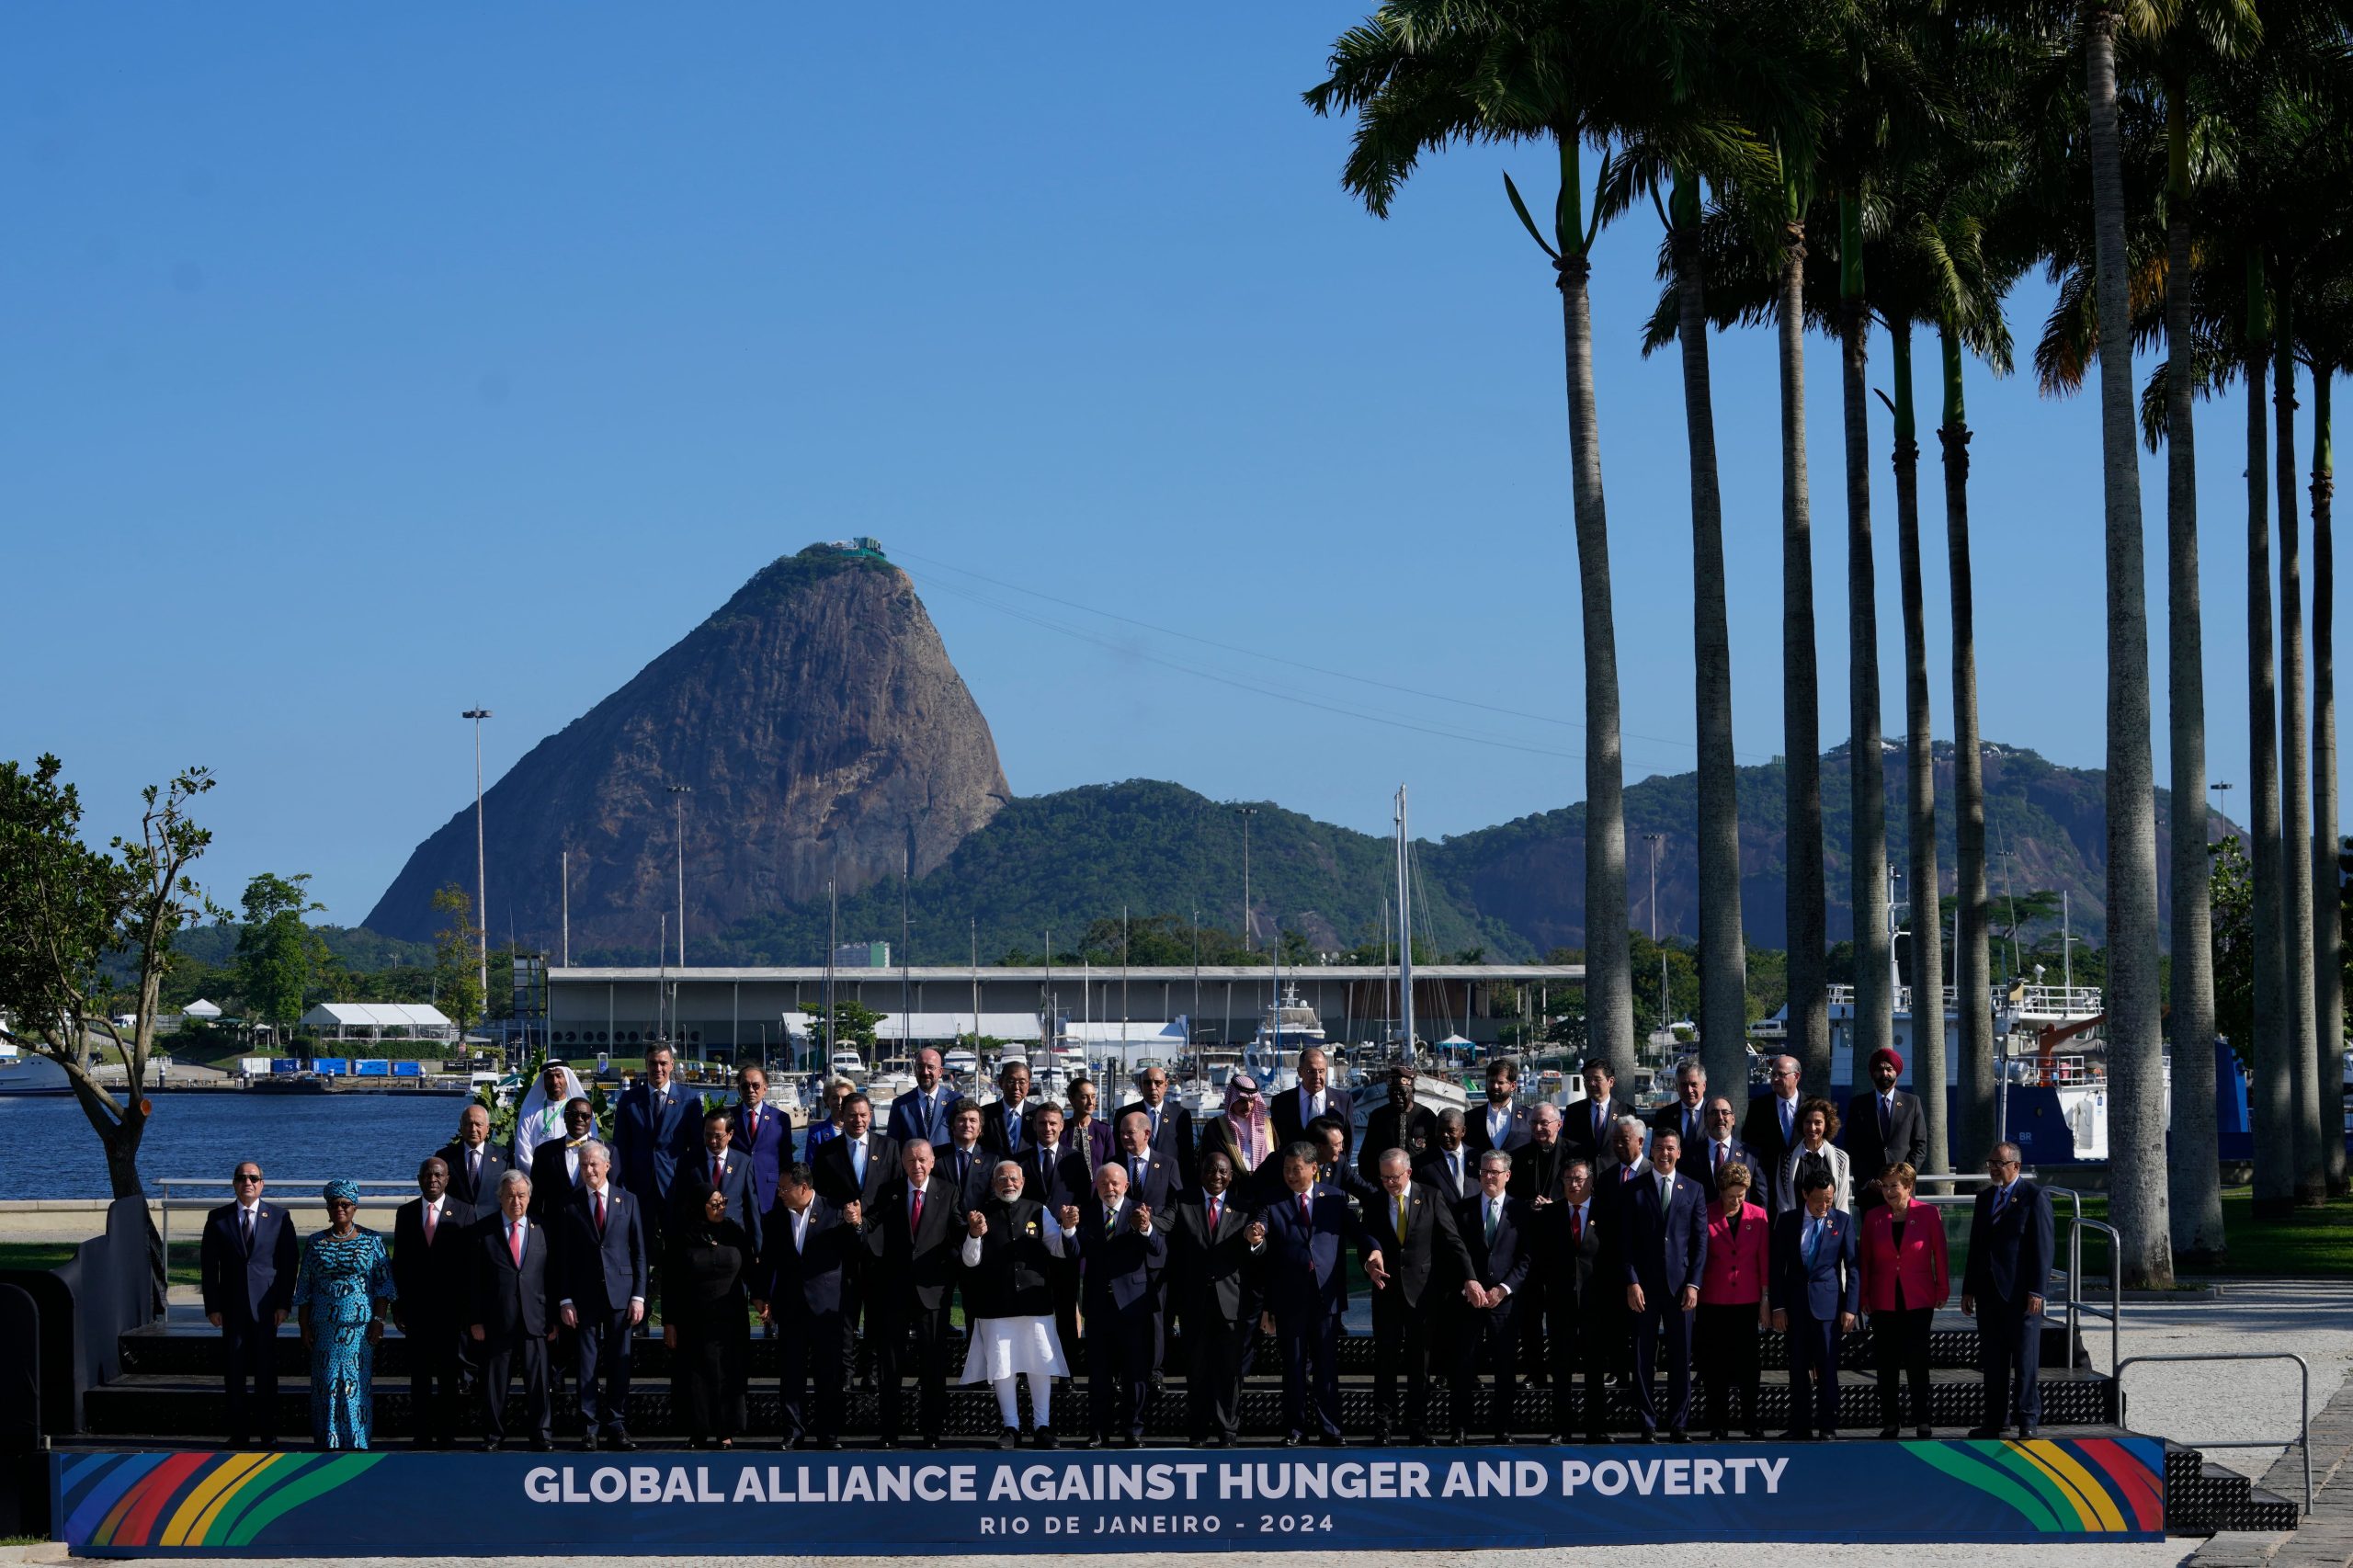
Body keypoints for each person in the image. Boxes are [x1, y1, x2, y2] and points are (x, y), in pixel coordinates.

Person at [1249, 1142, 1379, 1447]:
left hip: (1326, 1296)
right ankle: (1295, 1429)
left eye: (1296, 1169)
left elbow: (1358, 1232)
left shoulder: (1333, 1198)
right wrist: (1254, 1237)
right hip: (1290, 1298)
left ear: (1313, 1168)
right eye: (1286, 1169)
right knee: (1293, 1366)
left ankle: (1330, 1429)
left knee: (1326, 1366)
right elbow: (1260, 1235)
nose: (1291, 1175)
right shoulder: (1272, 1199)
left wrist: (1373, 1250)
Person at [1363, 1147, 1472, 1445]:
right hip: (1386, 1293)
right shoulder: (1374, 1201)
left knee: (1419, 1365)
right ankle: (1383, 1427)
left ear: (1408, 1173)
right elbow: (1366, 1240)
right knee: (1385, 1363)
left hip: (1422, 1295)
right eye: (1384, 1178)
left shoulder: (1431, 1196)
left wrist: (1470, 1278)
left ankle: (1417, 1426)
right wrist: (1369, 1262)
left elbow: (1452, 1240)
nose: (1389, 1183)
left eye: (1394, 1177)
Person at [959, 1162, 1070, 1449]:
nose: (1008, 1183)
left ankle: (1042, 1426)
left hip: (1036, 1302)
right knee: (1002, 1367)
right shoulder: (981, 1214)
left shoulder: (1038, 1210)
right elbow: (971, 1260)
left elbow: (1057, 1248)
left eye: (1013, 1178)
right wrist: (973, 1234)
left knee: (1040, 1363)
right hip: (996, 1304)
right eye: (1002, 1178)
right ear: (994, 1183)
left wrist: (1068, 1228)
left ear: (1023, 1181)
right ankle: (1011, 1427)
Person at [754, 1162, 859, 1449]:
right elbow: (769, 1258)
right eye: (778, 1188)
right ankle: (793, 1432)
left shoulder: (836, 1211)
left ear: (803, 1188)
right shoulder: (775, 1217)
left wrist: (856, 1225)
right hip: (791, 1307)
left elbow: (855, 1253)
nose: (780, 1194)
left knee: (829, 1374)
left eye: (784, 1188)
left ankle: (829, 1434)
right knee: (791, 1374)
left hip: (827, 1308)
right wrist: (761, 1294)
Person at [1615, 1123, 1708, 1442]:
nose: (1665, 1153)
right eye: (1659, 1147)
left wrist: (1694, 1284)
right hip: (1644, 1288)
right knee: (1643, 1358)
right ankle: (1647, 1422)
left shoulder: (1693, 1189)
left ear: (1679, 1153)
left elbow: (1699, 1243)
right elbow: (1624, 1242)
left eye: (1670, 1148)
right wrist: (1631, 1282)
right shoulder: (1632, 1189)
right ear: (1650, 1150)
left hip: (1681, 1289)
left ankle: (1679, 1423)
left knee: (1681, 1358)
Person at [864, 1141, 959, 1448]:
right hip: (893, 1292)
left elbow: (958, 1232)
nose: (916, 1166)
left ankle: (932, 1432)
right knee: (890, 1367)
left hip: (932, 1292)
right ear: (902, 1163)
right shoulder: (888, 1192)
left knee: (933, 1366)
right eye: (910, 1160)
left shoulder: (948, 1192)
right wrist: (855, 1222)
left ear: (932, 1162)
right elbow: (871, 1225)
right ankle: (889, 1432)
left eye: (922, 1160)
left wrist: (973, 1231)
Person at [1063, 1163, 1165, 1449]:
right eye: (1104, 1183)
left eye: (1115, 1183)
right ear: (1097, 1186)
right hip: (1098, 1306)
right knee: (1099, 1373)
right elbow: (1074, 1252)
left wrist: (1146, 1229)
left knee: (1135, 1372)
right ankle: (1098, 1431)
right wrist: (1069, 1230)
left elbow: (1159, 1250)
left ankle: (1134, 1429)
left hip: (1132, 1306)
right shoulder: (1087, 1212)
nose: (1110, 1188)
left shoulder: (1140, 1210)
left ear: (1126, 1186)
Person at [290, 1179, 395, 1450]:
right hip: (324, 1327)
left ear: (355, 1207)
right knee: (326, 1384)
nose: (340, 1208)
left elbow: (384, 1285)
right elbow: (305, 1286)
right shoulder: (315, 1242)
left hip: (360, 1329)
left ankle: (357, 1440)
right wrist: (303, 1325)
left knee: (357, 1383)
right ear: (327, 1208)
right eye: (334, 1204)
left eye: (345, 1204)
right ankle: (328, 1440)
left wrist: (379, 1321)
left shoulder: (372, 1241)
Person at [199, 1160, 297, 1449]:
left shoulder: (279, 1217)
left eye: (253, 1178)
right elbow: (208, 1267)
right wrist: (212, 1306)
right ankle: (239, 1434)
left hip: (267, 1310)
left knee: (266, 1374)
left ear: (262, 1183)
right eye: (242, 1178)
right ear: (234, 1184)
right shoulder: (218, 1218)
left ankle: (268, 1433)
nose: (248, 1182)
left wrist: (283, 1304)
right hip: (231, 1309)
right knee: (235, 1374)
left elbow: (289, 1264)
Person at [555, 1141, 646, 1451]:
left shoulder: (628, 1201)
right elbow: (563, 1257)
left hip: (621, 1296)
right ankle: (589, 1426)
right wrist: (565, 1298)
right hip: (584, 1298)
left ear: (607, 1166)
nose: (589, 1170)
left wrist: (639, 1296)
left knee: (620, 1364)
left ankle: (617, 1424)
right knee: (586, 1365)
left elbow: (639, 1254)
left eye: (594, 1164)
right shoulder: (570, 1204)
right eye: (583, 1165)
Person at [1961, 1142, 2053, 1438]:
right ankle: (1995, 1420)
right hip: (1989, 1295)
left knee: (2025, 1361)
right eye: (1990, 1163)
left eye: (1998, 1163)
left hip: (2022, 1295)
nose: (1992, 1168)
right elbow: (1975, 1247)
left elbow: (2043, 1247)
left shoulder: (2034, 1197)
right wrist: (1968, 1289)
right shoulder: (1984, 1198)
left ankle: (2027, 1419)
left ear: (2015, 1166)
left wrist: (2038, 1290)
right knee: (1993, 1361)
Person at [1167, 1151, 1259, 1448]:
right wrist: (1144, 1223)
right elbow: (1163, 1224)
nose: (1216, 1176)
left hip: (1231, 1305)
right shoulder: (1184, 1201)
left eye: (1222, 1172)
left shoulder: (1244, 1208)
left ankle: (1228, 1430)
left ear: (1231, 1176)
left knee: (1229, 1372)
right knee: (1197, 1370)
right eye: (1210, 1170)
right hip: (1194, 1303)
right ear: (1201, 1171)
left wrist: (1256, 1242)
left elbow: (1256, 1250)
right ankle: (1198, 1431)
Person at [664, 1178, 755, 1449]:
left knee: (728, 1373)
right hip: (693, 1319)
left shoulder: (734, 1232)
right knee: (696, 1377)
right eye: (714, 1204)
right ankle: (698, 1430)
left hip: (730, 1318)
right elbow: (670, 1282)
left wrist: (762, 1299)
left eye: (723, 1202)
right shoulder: (682, 1236)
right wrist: (669, 1322)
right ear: (698, 1206)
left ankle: (725, 1430)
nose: (721, 1208)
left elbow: (750, 1269)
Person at [391, 1156, 474, 1449]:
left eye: (438, 1175)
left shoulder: (465, 1212)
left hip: (451, 1311)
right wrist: (397, 1304)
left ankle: (447, 1433)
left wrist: (467, 1309)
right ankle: (422, 1433)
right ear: (419, 1178)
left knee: (449, 1376)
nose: (432, 1180)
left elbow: (470, 1266)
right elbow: (399, 1262)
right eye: (427, 1175)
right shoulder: (406, 1213)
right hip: (417, 1309)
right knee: (420, 1376)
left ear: (447, 1178)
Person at [1860, 1162, 1949, 1438]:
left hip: (1918, 1299)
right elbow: (1865, 1261)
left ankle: (1922, 1420)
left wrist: (1942, 1288)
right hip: (1883, 1299)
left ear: (1908, 1187)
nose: (1888, 1191)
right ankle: (1890, 1422)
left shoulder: (1929, 1214)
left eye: (1893, 1186)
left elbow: (1940, 1254)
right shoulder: (1873, 1217)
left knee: (1917, 1361)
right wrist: (1864, 1295)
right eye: (1884, 1186)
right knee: (1886, 1363)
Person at [1450, 1150, 1533, 1444]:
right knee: (1464, 1366)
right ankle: (1460, 1428)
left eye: (1494, 1172)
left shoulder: (1521, 1211)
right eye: (1484, 1171)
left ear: (1507, 1176)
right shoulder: (1462, 1210)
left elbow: (1526, 1258)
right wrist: (1468, 1284)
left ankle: (1502, 1428)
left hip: (1505, 1304)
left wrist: (1504, 1289)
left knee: (1505, 1367)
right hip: (1469, 1300)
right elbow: (1454, 1253)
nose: (1487, 1177)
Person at [470, 1170, 556, 1451]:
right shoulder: (484, 1230)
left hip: (536, 1320)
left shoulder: (543, 1229)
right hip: (497, 1320)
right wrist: (476, 1319)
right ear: (500, 1198)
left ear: (529, 1197)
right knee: (495, 1382)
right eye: (509, 1195)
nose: (515, 1201)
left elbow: (553, 1278)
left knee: (539, 1382)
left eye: (521, 1195)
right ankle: (494, 1435)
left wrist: (553, 1319)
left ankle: (541, 1434)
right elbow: (474, 1280)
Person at [1770, 1166, 1859, 1440]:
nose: (1824, 1205)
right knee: (1797, 1369)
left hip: (1829, 1307)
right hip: (1795, 1308)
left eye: (1829, 1199)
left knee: (1828, 1368)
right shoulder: (1787, 1222)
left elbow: (1853, 1267)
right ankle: (1800, 1425)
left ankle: (1828, 1426)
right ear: (1805, 1194)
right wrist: (1778, 1306)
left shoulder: (1842, 1221)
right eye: (1819, 1199)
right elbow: (1776, 1267)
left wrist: (1851, 1307)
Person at [1695, 1160, 1770, 1441]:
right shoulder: (1705, 1213)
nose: (1736, 1200)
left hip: (1748, 1301)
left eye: (1741, 1195)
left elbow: (1763, 1258)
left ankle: (1751, 1422)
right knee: (1716, 1366)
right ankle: (1719, 1424)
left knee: (1750, 1366)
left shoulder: (1758, 1216)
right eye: (1731, 1195)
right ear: (1721, 1190)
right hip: (1714, 1302)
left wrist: (1765, 1298)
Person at [1536, 1158, 1607, 1443]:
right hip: (1560, 1302)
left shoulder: (1605, 1211)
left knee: (1594, 1369)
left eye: (1578, 1179)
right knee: (1561, 1370)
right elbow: (1541, 1258)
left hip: (1594, 1302)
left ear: (1590, 1181)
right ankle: (1562, 1428)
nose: (1573, 1184)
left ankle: (1596, 1429)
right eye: (1568, 1179)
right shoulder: (1550, 1214)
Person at [613, 1045, 702, 1259]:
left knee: (677, 1248)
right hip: (638, 1186)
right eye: (653, 1063)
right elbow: (620, 1146)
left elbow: (697, 1147)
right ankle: (640, 1292)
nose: (658, 1068)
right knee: (638, 1248)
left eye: (663, 1063)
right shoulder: (629, 1100)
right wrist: (622, 1184)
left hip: (674, 1185)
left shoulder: (689, 1100)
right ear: (646, 1064)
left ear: (672, 1065)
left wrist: (693, 1185)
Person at [1844, 1048, 1928, 1210]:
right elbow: (1852, 1147)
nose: (1885, 1073)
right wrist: (1868, 1180)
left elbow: (1920, 1146)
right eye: (1880, 1069)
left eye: (1889, 1069)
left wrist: (1902, 1178)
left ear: (1897, 1072)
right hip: (1870, 1192)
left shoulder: (1912, 1103)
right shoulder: (1859, 1105)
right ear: (1872, 1074)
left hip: (1902, 1191)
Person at [687, 1108, 764, 1244]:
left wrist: (757, 1247)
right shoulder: (689, 1161)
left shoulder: (743, 1163)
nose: (712, 1141)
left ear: (730, 1134)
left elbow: (751, 1207)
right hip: (699, 1241)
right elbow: (680, 1203)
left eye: (718, 1136)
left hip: (734, 1240)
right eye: (708, 1135)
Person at [1196, 1074, 1276, 1203]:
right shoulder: (1216, 1127)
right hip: (1231, 1194)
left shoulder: (1267, 1125)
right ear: (1232, 1099)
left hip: (1264, 1193)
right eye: (1243, 1101)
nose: (1248, 1106)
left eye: (1252, 1101)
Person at [1120, 1062, 1199, 1190]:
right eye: (1147, 1083)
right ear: (1140, 1086)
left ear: (1166, 1086)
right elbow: (1119, 1152)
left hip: (1169, 1187)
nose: (1153, 1087)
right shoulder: (1125, 1114)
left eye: (1158, 1083)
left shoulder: (1181, 1115)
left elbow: (1187, 1157)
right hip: (1135, 1185)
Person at [812, 1093, 896, 1210]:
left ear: (870, 1116)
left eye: (863, 1115)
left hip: (879, 1221)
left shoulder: (889, 1147)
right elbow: (820, 1193)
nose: (858, 1120)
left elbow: (896, 1187)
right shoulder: (826, 1151)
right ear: (842, 1116)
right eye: (852, 1115)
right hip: (840, 1222)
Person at [1741, 1054, 1807, 1200]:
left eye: (1781, 1074)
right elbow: (1749, 1145)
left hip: (1805, 1187)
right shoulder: (1758, 1107)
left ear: (1796, 1076)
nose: (1775, 1078)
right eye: (1773, 1074)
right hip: (1769, 1188)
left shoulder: (1812, 1105)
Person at [731, 1064, 794, 1217]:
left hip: (770, 1192)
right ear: (739, 1089)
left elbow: (786, 1159)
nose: (751, 1090)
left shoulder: (781, 1119)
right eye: (745, 1086)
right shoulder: (729, 1118)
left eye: (756, 1085)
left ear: (765, 1088)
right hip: (737, 1190)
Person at [1358, 1065, 1438, 1183]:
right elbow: (1366, 1156)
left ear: (1413, 1092)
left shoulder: (1426, 1116)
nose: (1397, 1097)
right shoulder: (1378, 1117)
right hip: (1386, 1185)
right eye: (1392, 1093)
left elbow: (1436, 1153)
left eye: (1402, 1092)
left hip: (1419, 1184)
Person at [1773, 1097, 1852, 1215]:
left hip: (1829, 1227)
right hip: (1796, 1226)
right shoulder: (1786, 1158)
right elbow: (1782, 1200)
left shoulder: (1841, 1158)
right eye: (1808, 1122)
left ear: (1826, 1125)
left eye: (1818, 1122)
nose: (1812, 1128)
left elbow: (1841, 1202)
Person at [1270, 1047, 1352, 1160]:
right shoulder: (1281, 1102)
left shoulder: (1343, 1100)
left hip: (1331, 1172)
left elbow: (1347, 1143)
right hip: (1294, 1172)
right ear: (1300, 1072)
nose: (1317, 1077)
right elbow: (1277, 1143)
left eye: (1321, 1071)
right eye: (1311, 1071)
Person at [528, 1097, 598, 1221]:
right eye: (573, 1114)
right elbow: (536, 1198)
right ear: (564, 1118)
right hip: (555, 1230)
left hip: (592, 1230)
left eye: (585, 1116)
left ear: (591, 1120)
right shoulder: (544, 1152)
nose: (579, 1119)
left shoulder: (607, 1151)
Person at [511, 1060, 590, 1165]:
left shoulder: (581, 1113)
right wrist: (540, 1179)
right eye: (549, 1077)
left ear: (567, 1079)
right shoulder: (530, 1114)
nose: (555, 1081)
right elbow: (523, 1154)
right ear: (543, 1082)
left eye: (559, 1076)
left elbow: (591, 1146)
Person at [436, 1104, 509, 1210]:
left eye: (478, 1124)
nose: (473, 1129)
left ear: (487, 1128)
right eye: (468, 1124)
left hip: (490, 1222)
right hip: (456, 1222)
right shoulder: (445, 1157)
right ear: (461, 1127)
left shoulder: (503, 1157)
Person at [887, 1047, 962, 1150]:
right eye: (920, 1067)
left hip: (945, 1164)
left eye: (930, 1067)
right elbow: (892, 1145)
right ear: (915, 1070)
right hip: (913, 1165)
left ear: (940, 1072)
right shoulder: (900, 1104)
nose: (925, 1072)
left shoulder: (956, 1101)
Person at [1108, 1107, 1178, 1211]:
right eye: (1122, 1132)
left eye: (1130, 1132)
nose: (1124, 1137)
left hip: (1156, 1225)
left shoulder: (1168, 1165)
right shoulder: (1112, 1164)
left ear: (1147, 1134)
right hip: (1122, 1226)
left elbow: (1175, 1203)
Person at [1695, 1096, 1768, 1195]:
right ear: (1706, 1120)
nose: (1720, 1118)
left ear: (1733, 1119)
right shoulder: (1691, 1155)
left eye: (1725, 1113)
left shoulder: (1751, 1156)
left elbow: (1760, 1198)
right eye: (1714, 1113)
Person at [1563, 1059, 1628, 1166]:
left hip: (1615, 1177)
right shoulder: (1573, 1111)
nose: (1591, 1084)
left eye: (1597, 1079)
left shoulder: (1625, 1111)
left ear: (1610, 1081)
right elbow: (1567, 1147)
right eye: (1587, 1080)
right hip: (1584, 1177)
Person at [1465, 1057, 1533, 1155]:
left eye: (1500, 1083)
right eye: (1491, 1081)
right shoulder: (1470, 1118)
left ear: (1513, 1086)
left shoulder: (1529, 1118)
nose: (1495, 1086)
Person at [935, 1099, 994, 1209]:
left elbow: (992, 1196)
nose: (967, 1125)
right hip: (945, 1222)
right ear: (952, 1125)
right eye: (961, 1120)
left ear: (980, 1128)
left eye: (973, 1120)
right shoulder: (936, 1156)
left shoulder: (992, 1159)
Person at [1414, 1109, 1477, 1203]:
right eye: (1440, 1130)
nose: (1445, 1135)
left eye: (1451, 1130)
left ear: (1463, 1131)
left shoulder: (1478, 1158)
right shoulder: (1422, 1163)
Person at [1652, 1060, 1711, 1155]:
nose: (1689, 1090)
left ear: (1704, 1086)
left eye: (1694, 1084)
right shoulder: (1663, 1115)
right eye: (1684, 1085)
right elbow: (1655, 1153)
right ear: (1676, 1087)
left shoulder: (1716, 1114)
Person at [978, 1059, 1033, 1157]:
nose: (1016, 1087)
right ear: (1000, 1083)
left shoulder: (1037, 1114)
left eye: (1022, 1082)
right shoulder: (984, 1114)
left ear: (1029, 1085)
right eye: (1011, 1081)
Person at [1066, 1076, 1115, 1169]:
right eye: (1084, 1097)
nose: (1091, 1102)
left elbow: (1110, 1165)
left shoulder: (1104, 1130)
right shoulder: (1061, 1130)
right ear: (1071, 1099)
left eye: (1093, 1097)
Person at [801, 1076, 856, 1154]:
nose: (839, 1102)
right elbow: (810, 1165)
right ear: (827, 1101)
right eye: (834, 1098)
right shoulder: (816, 1133)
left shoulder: (861, 1129)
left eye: (844, 1098)